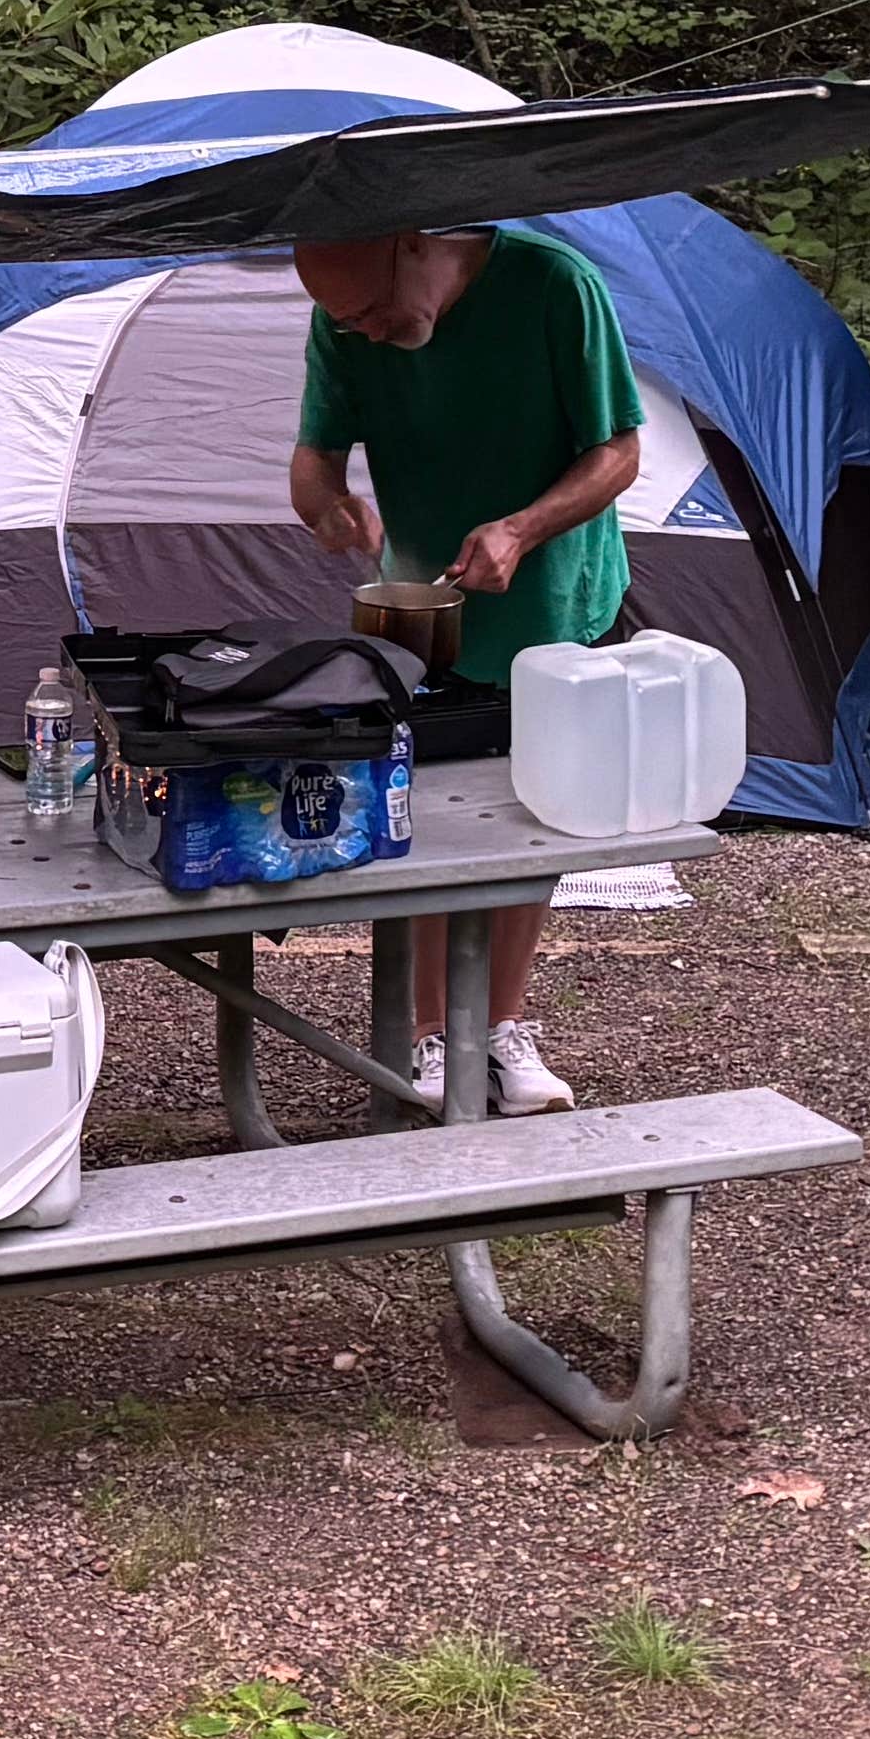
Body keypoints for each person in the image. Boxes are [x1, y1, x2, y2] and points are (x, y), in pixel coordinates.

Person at [288, 222, 645, 1115]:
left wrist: (520, 529)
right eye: (345, 320)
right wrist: (327, 506)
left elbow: (619, 451)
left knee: (537, 822)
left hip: (555, 600)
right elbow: (313, 458)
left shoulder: (553, 285)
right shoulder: (343, 318)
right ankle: (431, 1035)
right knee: (422, 821)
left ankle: (502, 1024)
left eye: (371, 311)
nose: (361, 331)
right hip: (421, 616)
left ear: (412, 243)